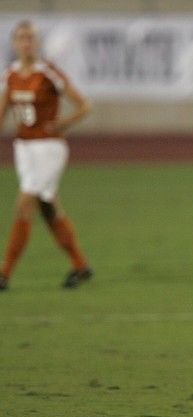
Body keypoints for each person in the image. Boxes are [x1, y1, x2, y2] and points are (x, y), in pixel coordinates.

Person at [0, 20, 92, 290]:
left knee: (24, 202)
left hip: (49, 148)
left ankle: (3, 274)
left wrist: (64, 123)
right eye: (21, 38)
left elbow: (84, 105)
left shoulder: (48, 73)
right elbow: (3, 111)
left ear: (36, 43)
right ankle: (80, 265)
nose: (26, 42)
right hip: (24, 150)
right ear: (14, 43)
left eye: (30, 38)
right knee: (47, 206)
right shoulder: (10, 75)